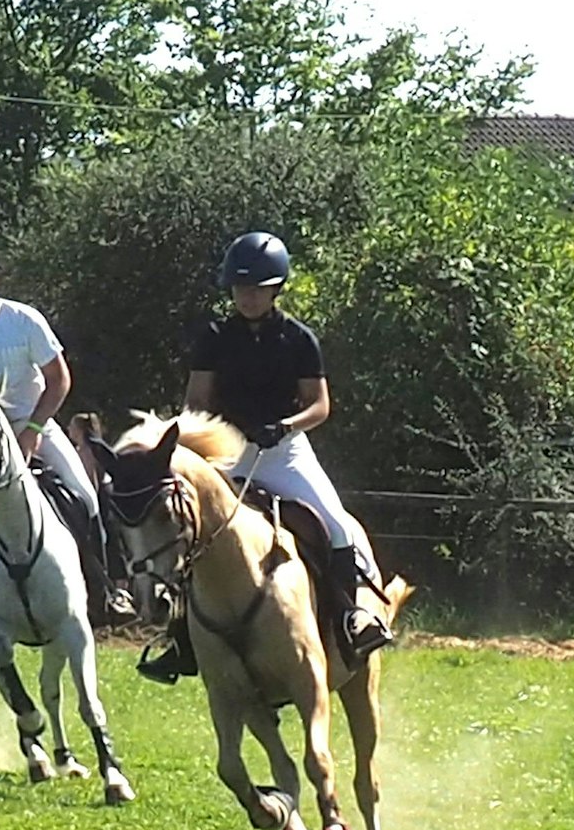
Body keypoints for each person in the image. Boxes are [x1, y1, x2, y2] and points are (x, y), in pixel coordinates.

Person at [137, 230, 393, 683]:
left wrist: (285, 427)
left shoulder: (298, 339)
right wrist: (211, 434)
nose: (247, 297)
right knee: (194, 533)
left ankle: (353, 619)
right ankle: (180, 638)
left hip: (284, 452)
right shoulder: (214, 337)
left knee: (334, 526)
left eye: (256, 288)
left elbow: (320, 405)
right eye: (239, 289)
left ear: (276, 289)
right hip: (227, 453)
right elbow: (196, 401)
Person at [0, 244, 134, 646]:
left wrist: (34, 428)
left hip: (31, 423)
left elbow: (59, 378)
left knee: (85, 498)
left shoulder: (24, 320)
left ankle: (108, 592)